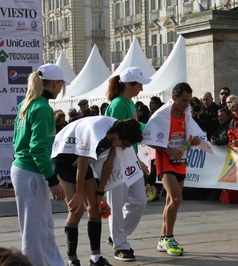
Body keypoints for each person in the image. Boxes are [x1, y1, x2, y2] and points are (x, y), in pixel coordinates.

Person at [52, 117, 143, 266]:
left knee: (95, 208)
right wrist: (79, 193)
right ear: (117, 136)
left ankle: (96, 258)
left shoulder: (116, 134)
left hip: (81, 162)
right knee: (76, 210)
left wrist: (100, 194)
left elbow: (108, 165)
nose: (125, 148)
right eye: (125, 144)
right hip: (63, 161)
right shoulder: (95, 132)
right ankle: (72, 260)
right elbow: (82, 162)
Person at [11, 63, 69, 266]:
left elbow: (17, 141)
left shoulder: (27, 103)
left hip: (24, 168)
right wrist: (53, 180)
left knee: (42, 225)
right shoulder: (43, 108)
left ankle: (52, 263)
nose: (61, 88)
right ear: (55, 83)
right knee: (35, 229)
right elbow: (37, 149)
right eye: (61, 84)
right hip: (31, 171)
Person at [141, 82, 207, 256]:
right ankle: (169, 237)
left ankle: (163, 238)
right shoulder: (161, 115)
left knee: (171, 201)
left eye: (189, 101)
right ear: (174, 98)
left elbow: (191, 135)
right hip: (165, 161)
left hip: (181, 160)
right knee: (177, 199)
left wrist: (195, 141)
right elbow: (148, 137)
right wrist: (166, 149)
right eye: (184, 101)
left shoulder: (186, 115)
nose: (187, 105)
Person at [104, 66, 151, 261]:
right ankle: (120, 244)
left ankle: (117, 236)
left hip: (129, 157)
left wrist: (137, 158)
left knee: (140, 200)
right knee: (117, 202)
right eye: (139, 84)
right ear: (129, 84)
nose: (141, 88)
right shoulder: (118, 104)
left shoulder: (129, 103)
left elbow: (132, 133)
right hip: (116, 159)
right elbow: (116, 136)